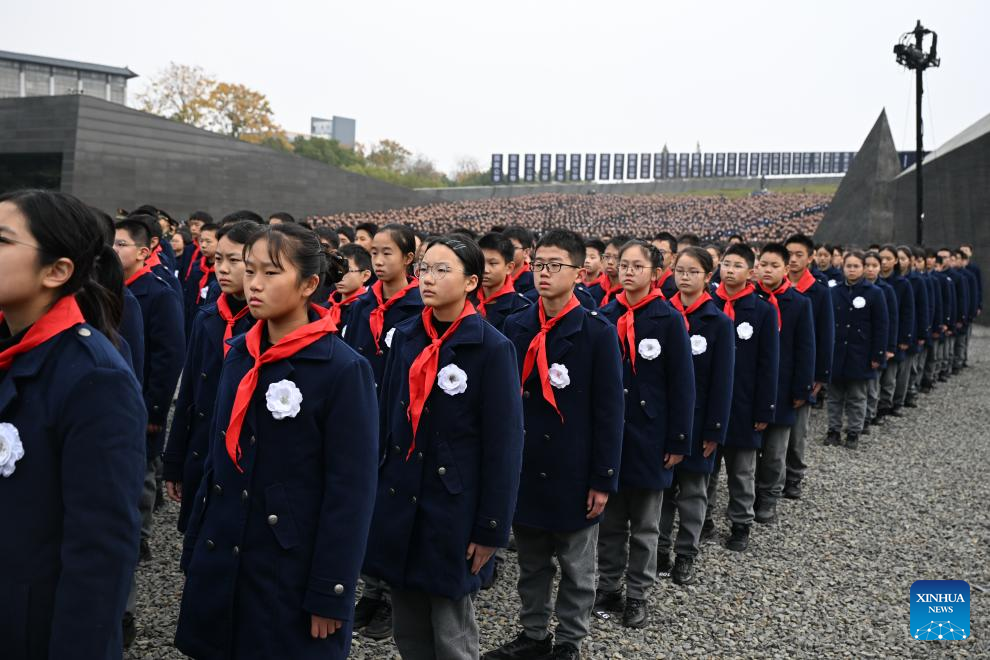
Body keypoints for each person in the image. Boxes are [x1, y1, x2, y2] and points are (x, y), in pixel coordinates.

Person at [175, 223, 379, 660]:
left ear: (308, 284)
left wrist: (331, 589)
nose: (254, 284)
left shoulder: (342, 369)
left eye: (270, 273)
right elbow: (219, 460)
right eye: (250, 271)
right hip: (225, 548)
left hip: (288, 561)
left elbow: (351, 492)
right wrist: (196, 547)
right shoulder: (240, 352)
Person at [0, 189, 146, 659]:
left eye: (2, 241)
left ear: (57, 270)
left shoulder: (93, 377)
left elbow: (100, 553)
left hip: (30, 628)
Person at [364, 235, 525, 660]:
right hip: (401, 496)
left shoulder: (492, 347)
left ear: (472, 281)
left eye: (442, 270)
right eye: (425, 270)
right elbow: (387, 421)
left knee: (451, 632)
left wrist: (491, 528)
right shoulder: (408, 336)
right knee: (409, 629)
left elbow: (504, 447)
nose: (428, 279)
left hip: (453, 504)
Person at [489, 229, 624, 660]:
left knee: (576, 566)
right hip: (528, 463)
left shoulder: (597, 331)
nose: (544, 274)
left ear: (579, 273)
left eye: (555, 266)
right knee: (531, 560)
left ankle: (569, 640)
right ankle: (533, 633)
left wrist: (602, 477)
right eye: (538, 265)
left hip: (573, 465)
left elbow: (608, 412)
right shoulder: (517, 324)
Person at [596, 240, 694, 625]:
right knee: (611, 521)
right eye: (624, 264)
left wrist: (678, 440)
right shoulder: (605, 314)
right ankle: (608, 586)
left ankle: (638, 593)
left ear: (656, 274)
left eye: (638, 266)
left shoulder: (667, 319)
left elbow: (682, 385)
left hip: (650, 436)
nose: (628, 271)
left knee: (646, 525)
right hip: (612, 436)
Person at [344, 224, 422, 638]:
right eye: (374, 252)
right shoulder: (361, 306)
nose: (378, 260)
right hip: (362, 414)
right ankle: (371, 590)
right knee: (365, 502)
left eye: (388, 253)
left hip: (398, 418)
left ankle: (391, 596)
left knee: (392, 505)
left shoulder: (417, 305)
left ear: (409, 259)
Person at [163, 221, 258, 533]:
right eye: (219, 259)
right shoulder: (208, 318)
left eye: (235, 260)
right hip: (201, 447)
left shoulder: (268, 327)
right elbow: (189, 392)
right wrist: (174, 460)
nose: (223, 269)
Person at [658, 246, 733, 585]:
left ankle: (686, 553)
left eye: (692, 272)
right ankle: (659, 550)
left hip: (700, 419)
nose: (684, 278)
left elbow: (722, 381)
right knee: (661, 492)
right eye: (680, 272)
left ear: (707, 276)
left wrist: (715, 429)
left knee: (692, 492)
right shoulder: (661, 315)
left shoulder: (718, 321)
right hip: (663, 419)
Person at [113, 214, 185, 562]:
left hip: (142, 400)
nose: (114, 250)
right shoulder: (109, 289)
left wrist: (154, 409)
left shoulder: (158, 292)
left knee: (142, 470)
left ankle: (140, 535)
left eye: (122, 244)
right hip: (117, 399)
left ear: (144, 252)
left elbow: (168, 357)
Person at [704, 243, 779, 552]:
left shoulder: (761, 310)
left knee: (742, 470)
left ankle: (740, 523)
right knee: (706, 469)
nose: (730, 270)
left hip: (743, 404)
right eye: (726, 264)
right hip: (709, 404)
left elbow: (768, 364)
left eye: (737, 265)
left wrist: (764, 409)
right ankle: (704, 519)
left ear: (751, 272)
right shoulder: (707, 304)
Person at [753, 242, 814, 525]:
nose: (767, 270)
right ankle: (748, 496)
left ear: (786, 268)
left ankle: (768, 499)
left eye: (774, 265)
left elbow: (805, 348)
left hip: (782, 388)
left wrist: (802, 388)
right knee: (748, 450)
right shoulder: (747, 300)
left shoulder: (799, 302)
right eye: (763, 264)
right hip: (751, 389)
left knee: (775, 452)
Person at [782, 234, 834, 499]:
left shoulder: (818, 291)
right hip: (778, 366)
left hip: (804, 368)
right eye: (788, 253)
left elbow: (825, 335)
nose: (792, 259)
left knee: (797, 432)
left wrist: (820, 375)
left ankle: (793, 476)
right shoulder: (772, 287)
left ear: (810, 258)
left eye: (798, 254)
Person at [826, 251, 888, 449]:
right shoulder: (834, 291)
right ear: (842, 267)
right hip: (837, 352)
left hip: (860, 353)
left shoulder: (874, 292)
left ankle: (853, 431)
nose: (851, 270)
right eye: (848, 266)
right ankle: (833, 430)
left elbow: (881, 326)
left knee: (857, 396)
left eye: (856, 266)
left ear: (863, 268)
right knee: (834, 396)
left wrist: (878, 354)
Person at [877, 245, 915, 418]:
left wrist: (905, 337)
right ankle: (871, 408)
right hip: (876, 334)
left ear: (895, 261)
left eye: (888, 259)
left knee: (890, 376)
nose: (884, 262)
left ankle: (886, 406)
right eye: (881, 258)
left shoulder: (902, 283)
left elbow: (908, 312)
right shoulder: (872, 281)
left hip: (895, 333)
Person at [862, 251, 897, 430]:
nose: (870, 269)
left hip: (878, 342)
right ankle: (861, 416)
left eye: (874, 266)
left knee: (874, 383)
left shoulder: (886, 290)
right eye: (866, 265)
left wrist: (889, 346)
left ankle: (870, 415)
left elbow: (890, 320)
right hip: (860, 344)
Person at [476, 231, 531, 332]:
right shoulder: (465, 299)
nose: (485, 270)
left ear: (509, 267)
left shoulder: (521, 308)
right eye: (481, 262)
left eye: (493, 263)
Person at [900, 246, 930, 409]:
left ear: (910, 261)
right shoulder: (894, 279)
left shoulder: (918, 280)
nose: (901, 262)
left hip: (914, 326)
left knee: (911, 366)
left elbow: (923, 307)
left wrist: (922, 332)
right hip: (899, 328)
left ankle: (910, 392)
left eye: (904, 258)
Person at [327, 243, 372, 333]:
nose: (340, 276)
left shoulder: (368, 312)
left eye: (347, 270)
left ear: (365, 276)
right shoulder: (326, 307)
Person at [596, 236, 628, 306]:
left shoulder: (630, 294)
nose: (610, 262)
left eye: (616, 258)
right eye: (607, 257)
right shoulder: (594, 290)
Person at [503, 226, 535, 295]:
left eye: (513, 248)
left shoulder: (534, 282)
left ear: (526, 252)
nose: (507, 251)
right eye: (505, 246)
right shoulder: (496, 276)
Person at [650, 231, 679, 298]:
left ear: (673, 258)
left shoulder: (675, 287)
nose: (655, 255)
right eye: (652, 251)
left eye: (661, 252)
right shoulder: (645, 281)